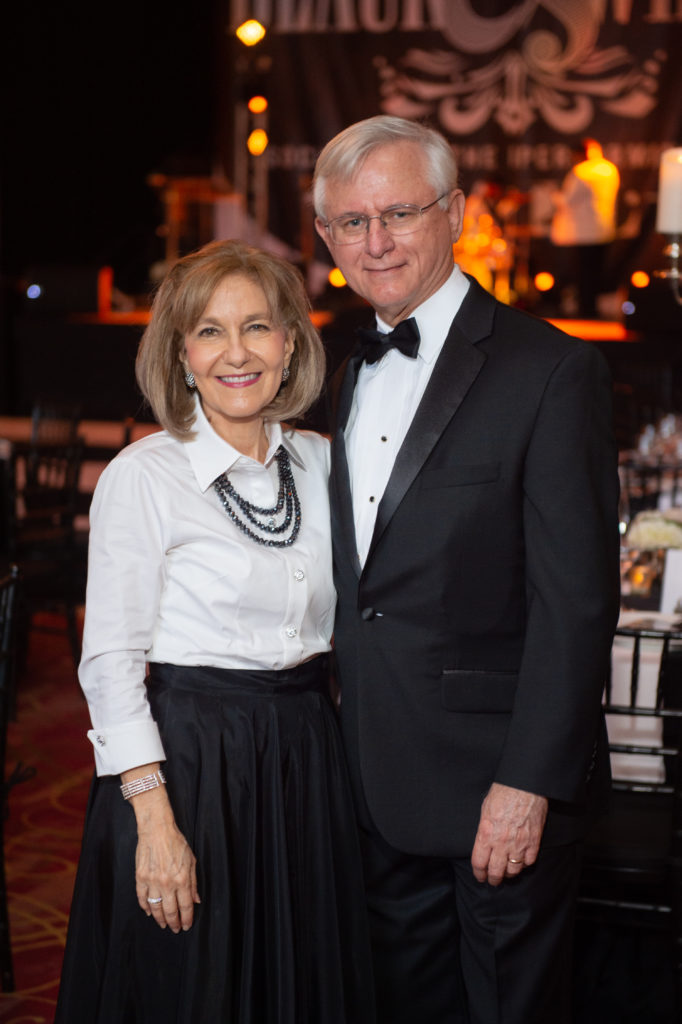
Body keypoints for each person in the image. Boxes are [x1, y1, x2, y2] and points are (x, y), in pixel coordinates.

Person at [312, 116, 621, 1024]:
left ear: (455, 213)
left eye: (399, 213)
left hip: (498, 791)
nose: (376, 243)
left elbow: (576, 603)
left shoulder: (550, 369)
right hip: (370, 779)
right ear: (325, 237)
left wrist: (529, 783)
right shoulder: (339, 370)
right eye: (350, 223)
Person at [55, 239, 375, 1023]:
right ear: (180, 353)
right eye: (209, 332)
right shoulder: (144, 474)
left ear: (290, 342)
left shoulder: (326, 462)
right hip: (192, 767)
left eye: (257, 327)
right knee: (194, 988)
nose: (236, 353)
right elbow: (109, 665)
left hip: (305, 756)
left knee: (297, 984)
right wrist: (154, 819)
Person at [550, 138, 620, 317]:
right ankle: (592, 308)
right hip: (604, 229)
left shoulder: (581, 172)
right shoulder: (610, 169)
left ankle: (585, 310)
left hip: (582, 233)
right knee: (596, 272)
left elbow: (567, 200)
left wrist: (553, 196)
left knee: (583, 273)